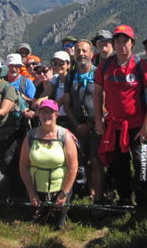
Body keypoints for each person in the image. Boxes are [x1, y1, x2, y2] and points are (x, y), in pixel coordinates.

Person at [94, 24, 147, 207]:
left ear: (132, 43)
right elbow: (97, 93)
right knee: (118, 165)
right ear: (114, 43)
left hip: (138, 126)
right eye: (118, 40)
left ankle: (142, 199)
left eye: (126, 41)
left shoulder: (141, 66)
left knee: (142, 164)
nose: (122, 44)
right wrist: (98, 121)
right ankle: (124, 198)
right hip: (114, 125)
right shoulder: (105, 66)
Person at [19, 99, 79, 223]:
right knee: (36, 223)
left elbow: (73, 167)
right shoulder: (30, 136)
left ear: (57, 114)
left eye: (50, 112)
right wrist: (31, 192)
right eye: (43, 112)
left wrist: (64, 194)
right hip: (36, 190)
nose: (46, 115)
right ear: (38, 114)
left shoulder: (65, 136)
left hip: (60, 191)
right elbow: (23, 165)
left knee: (55, 225)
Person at [61, 40, 102, 201]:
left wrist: (92, 123)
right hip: (77, 126)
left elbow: (106, 101)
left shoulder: (98, 73)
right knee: (81, 161)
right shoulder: (71, 76)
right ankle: (90, 192)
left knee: (95, 161)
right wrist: (77, 125)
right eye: (78, 51)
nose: (81, 54)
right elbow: (66, 102)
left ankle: (98, 196)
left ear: (91, 53)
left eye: (84, 51)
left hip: (97, 125)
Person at [41, 52, 69, 128]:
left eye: (61, 63)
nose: (57, 66)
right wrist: (38, 103)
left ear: (68, 64)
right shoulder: (55, 79)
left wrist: (41, 111)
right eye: (55, 63)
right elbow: (45, 94)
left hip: (70, 118)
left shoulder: (72, 80)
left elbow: (61, 101)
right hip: (58, 118)